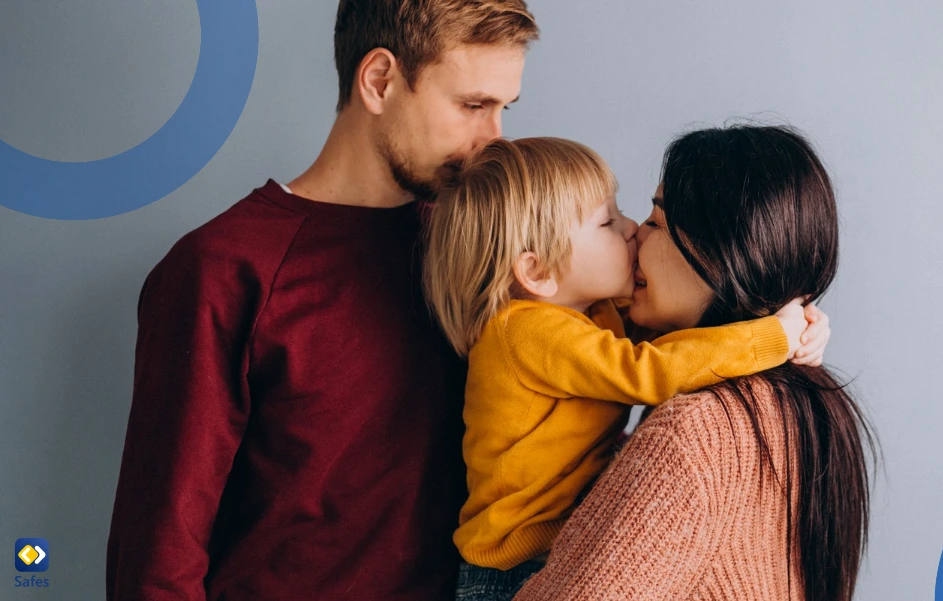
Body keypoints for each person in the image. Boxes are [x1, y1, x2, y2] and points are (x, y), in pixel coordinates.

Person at [106, 2, 538, 600]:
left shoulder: (486, 252)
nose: (494, 139)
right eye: (472, 106)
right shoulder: (224, 269)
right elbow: (158, 556)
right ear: (380, 81)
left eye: (503, 109)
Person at [420, 137, 831, 601]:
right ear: (537, 273)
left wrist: (791, 317)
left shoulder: (590, 311)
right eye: (606, 222)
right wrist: (772, 337)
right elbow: (650, 370)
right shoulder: (525, 332)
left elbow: (674, 343)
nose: (632, 227)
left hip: (551, 548)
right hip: (510, 567)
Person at [513, 124, 877, 601]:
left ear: (725, 255)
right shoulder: (804, 403)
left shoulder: (694, 432)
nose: (635, 235)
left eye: (658, 223)